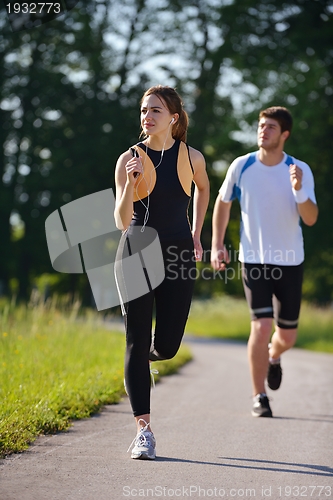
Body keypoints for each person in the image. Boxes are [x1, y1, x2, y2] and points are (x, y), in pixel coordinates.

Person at [114, 85, 209, 458]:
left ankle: (142, 362)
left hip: (178, 252)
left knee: (166, 346)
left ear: (173, 117)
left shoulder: (192, 157)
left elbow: (203, 189)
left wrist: (197, 232)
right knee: (137, 341)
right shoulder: (129, 158)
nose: (147, 116)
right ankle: (144, 432)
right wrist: (131, 185)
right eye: (143, 110)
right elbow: (122, 220)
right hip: (136, 249)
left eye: (155, 110)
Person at [211, 106, 318, 418]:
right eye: (261, 126)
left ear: (284, 134)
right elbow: (223, 201)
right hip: (254, 260)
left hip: (290, 260)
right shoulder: (241, 165)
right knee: (261, 326)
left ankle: (274, 355)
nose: (263, 131)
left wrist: (298, 191)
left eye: (271, 127)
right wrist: (217, 243)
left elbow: (311, 219)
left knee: (287, 337)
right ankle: (259, 395)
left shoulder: (299, 169)